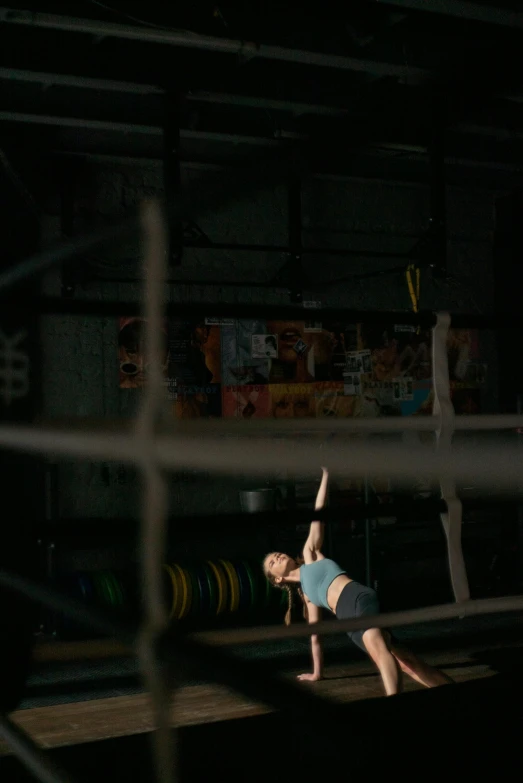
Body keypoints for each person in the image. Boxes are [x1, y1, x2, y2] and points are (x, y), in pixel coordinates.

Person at [263, 467, 453, 696]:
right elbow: (316, 637)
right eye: (272, 562)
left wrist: (325, 476)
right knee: (406, 663)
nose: (277, 557)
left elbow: (318, 513)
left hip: (356, 598)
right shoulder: (308, 597)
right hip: (349, 622)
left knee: (381, 651)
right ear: (278, 579)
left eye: (276, 555)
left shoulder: (311, 555)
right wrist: (316, 673)